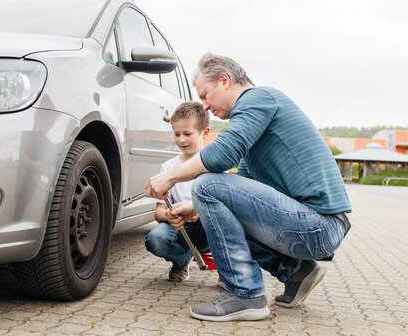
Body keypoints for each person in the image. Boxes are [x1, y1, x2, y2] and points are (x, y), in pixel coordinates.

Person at [145, 53, 352, 322]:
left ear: (225, 80)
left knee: (207, 184)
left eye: (206, 95)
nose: (205, 106)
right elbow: (242, 185)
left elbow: (222, 156)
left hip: (318, 225)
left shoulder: (258, 98)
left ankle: (245, 293)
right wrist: (193, 208)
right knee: (212, 197)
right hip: (315, 226)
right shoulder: (254, 119)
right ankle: (296, 272)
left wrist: (170, 177)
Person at [144, 101, 212, 282]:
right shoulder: (168, 167)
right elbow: (158, 212)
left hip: (209, 227)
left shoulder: (215, 164)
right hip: (179, 227)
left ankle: (226, 268)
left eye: (187, 134)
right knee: (155, 240)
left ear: (204, 133)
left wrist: (198, 210)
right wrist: (171, 213)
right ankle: (182, 259)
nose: (181, 139)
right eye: (177, 134)